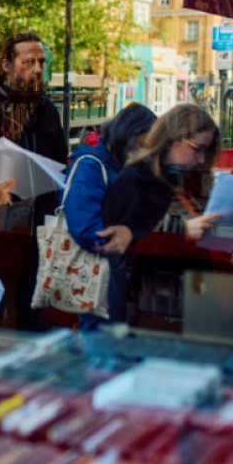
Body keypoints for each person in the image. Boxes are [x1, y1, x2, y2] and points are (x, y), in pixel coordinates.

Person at [0, 32, 69, 331]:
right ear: (7, 65)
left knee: (29, 321)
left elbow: (60, 168)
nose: (37, 69)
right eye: (28, 62)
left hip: (36, 238)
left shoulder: (45, 109)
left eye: (41, 62)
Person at [95, 103, 223, 323]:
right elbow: (115, 249)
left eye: (206, 151)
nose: (201, 159)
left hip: (193, 297)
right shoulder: (135, 180)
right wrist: (182, 231)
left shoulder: (190, 179)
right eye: (197, 148)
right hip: (150, 304)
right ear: (172, 140)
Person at [60, 103, 157, 329]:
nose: (142, 153)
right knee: (98, 342)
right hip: (94, 273)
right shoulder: (90, 166)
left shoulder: (115, 164)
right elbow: (86, 229)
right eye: (141, 145)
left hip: (109, 271)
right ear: (127, 135)